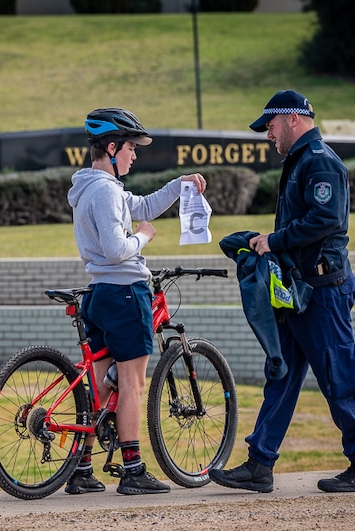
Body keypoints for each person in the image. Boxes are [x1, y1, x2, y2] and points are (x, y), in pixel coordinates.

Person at [210, 90, 355, 494]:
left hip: (322, 292)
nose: (267, 134)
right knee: (282, 376)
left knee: (339, 376)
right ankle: (259, 465)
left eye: (269, 126)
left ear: (291, 118)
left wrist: (274, 240)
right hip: (301, 291)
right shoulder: (301, 161)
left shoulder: (320, 161)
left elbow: (326, 220)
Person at [66, 107, 207, 495]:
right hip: (126, 292)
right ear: (112, 148)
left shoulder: (89, 188)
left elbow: (142, 206)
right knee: (131, 383)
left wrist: (179, 186)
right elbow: (117, 249)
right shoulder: (106, 191)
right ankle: (133, 470)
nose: (134, 155)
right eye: (130, 148)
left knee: (102, 383)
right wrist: (144, 237)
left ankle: (81, 469)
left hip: (99, 294)